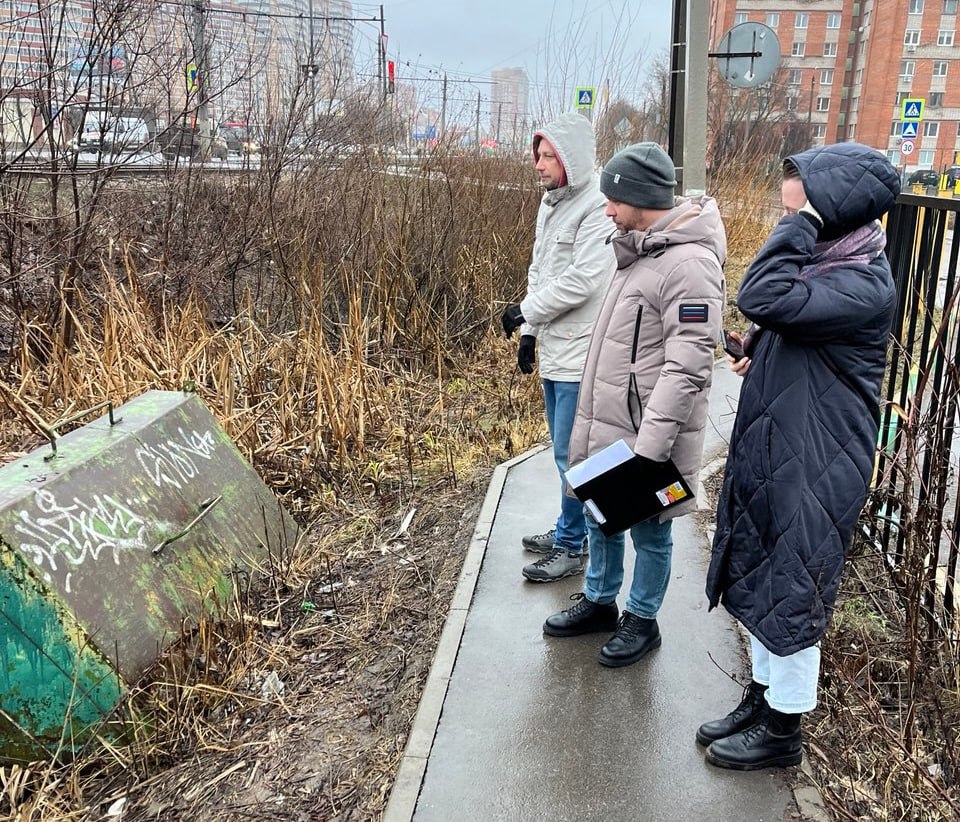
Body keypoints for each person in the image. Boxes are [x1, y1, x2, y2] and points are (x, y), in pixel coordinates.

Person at [700, 142, 900, 770]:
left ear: (829, 209)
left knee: (794, 583)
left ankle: (784, 729)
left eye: (802, 195)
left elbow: (760, 294)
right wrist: (761, 348)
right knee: (765, 570)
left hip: (819, 458)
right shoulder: (828, 267)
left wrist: (798, 224)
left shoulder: (863, 280)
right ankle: (762, 698)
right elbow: (781, 319)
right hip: (782, 446)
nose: (791, 203)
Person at [541, 142, 726, 667]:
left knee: (650, 527)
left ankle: (642, 620)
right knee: (603, 513)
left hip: (649, 434)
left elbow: (688, 363)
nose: (606, 209)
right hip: (612, 424)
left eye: (611, 199)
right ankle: (600, 603)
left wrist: (651, 448)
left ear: (640, 196)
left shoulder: (689, 264)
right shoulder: (640, 248)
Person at [500, 111, 615, 583]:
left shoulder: (595, 206)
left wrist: (527, 312)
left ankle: (573, 545)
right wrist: (530, 333)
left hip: (580, 353)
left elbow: (583, 281)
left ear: (572, 159)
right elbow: (539, 271)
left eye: (549, 156)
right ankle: (571, 528)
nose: (539, 164)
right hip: (555, 347)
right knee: (562, 452)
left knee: (575, 457)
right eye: (538, 154)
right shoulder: (552, 203)